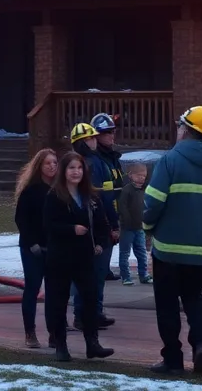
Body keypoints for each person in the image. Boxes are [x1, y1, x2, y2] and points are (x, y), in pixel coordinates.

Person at [142, 105, 202, 375]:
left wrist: (148, 227)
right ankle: (201, 347)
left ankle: (172, 359)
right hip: (198, 252)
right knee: (195, 299)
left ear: (186, 130)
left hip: (166, 251)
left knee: (167, 305)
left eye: (179, 125)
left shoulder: (169, 161)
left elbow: (153, 203)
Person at [43, 151, 115, 363]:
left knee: (91, 300)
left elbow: (102, 223)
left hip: (85, 257)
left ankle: (92, 343)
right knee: (59, 300)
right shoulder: (54, 196)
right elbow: (49, 225)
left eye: (79, 168)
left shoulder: (91, 197)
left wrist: (101, 243)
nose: (76, 172)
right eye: (72, 168)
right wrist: (71, 229)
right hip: (61, 257)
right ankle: (61, 345)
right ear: (64, 171)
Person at [70, 121, 115, 329]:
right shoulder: (91, 164)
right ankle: (85, 316)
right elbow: (101, 199)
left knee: (96, 274)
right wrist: (111, 225)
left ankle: (94, 312)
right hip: (97, 227)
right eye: (90, 138)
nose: (94, 140)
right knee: (91, 274)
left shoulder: (90, 162)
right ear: (82, 142)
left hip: (97, 225)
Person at [14, 148, 59, 349]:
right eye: (47, 163)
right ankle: (30, 332)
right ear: (39, 166)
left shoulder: (60, 189)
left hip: (54, 248)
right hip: (32, 248)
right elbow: (21, 219)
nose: (52, 166)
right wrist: (32, 243)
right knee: (32, 288)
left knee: (54, 291)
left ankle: (54, 333)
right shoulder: (30, 191)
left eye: (54, 163)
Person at [91, 113, 126, 282]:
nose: (112, 135)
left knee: (111, 242)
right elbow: (99, 193)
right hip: (104, 210)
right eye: (107, 132)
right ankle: (100, 270)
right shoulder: (97, 161)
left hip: (115, 207)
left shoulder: (112, 158)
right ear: (96, 135)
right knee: (104, 241)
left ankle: (104, 270)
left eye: (113, 132)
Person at [117, 163, 150, 286]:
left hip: (139, 227)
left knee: (141, 251)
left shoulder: (144, 190)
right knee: (125, 252)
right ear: (131, 175)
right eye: (139, 175)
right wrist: (126, 220)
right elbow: (122, 206)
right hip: (127, 227)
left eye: (144, 176)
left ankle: (143, 274)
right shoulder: (127, 190)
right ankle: (125, 276)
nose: (142, 178)